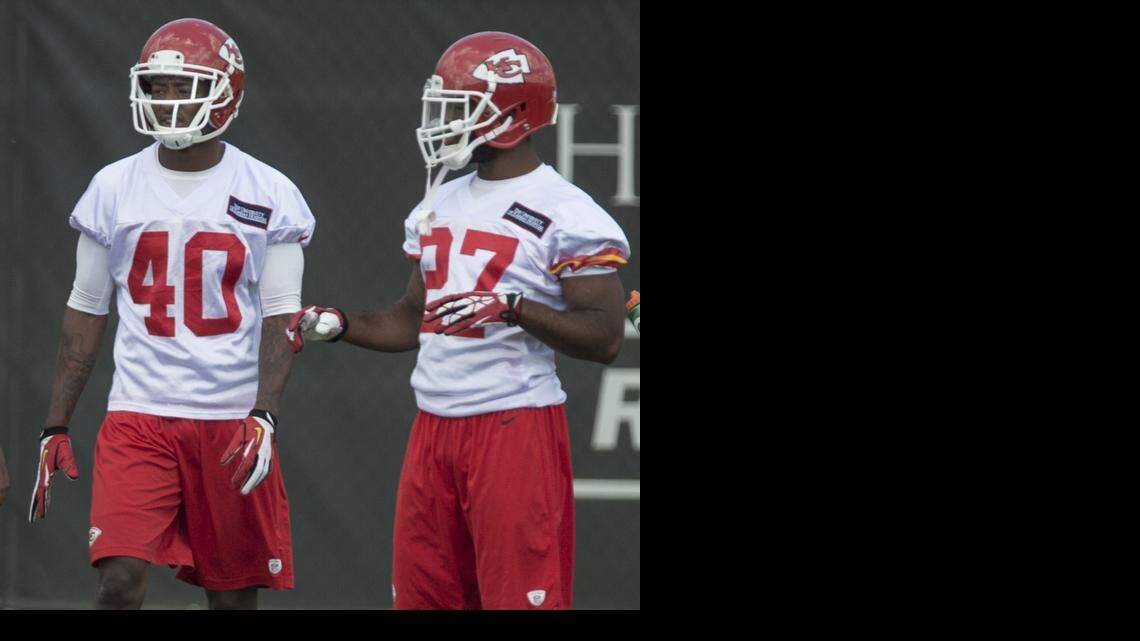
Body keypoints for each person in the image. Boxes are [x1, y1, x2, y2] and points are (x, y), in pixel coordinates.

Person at [287, 31, 630, 610]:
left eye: (461, 107)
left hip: (513, 426)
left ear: (514, 115)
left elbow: (605, 336)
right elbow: (412, 318)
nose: (446, 123)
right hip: (433, 429)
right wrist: (342, 324)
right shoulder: (439, 202)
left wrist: (515, 308)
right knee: (425, 599)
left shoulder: (567, 211)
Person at [27, 18, 314, 610]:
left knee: (231, 601)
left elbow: (281, 319)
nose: (167, 100)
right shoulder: (113, 186)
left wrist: (264, 414)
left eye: (184, 87)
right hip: (139, 415)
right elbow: (85, 311)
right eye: (157, 87)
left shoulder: (269, 190)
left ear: (226, 93)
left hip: (230, 419)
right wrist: (55, 423)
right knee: (118, 583)